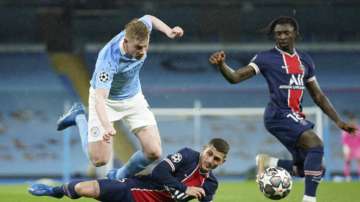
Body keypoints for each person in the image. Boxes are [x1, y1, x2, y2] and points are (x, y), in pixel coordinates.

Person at [209, 16, 356, 202]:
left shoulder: (306, 61)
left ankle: (270, 163)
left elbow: (318, 95)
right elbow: (235, 77)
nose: (282, 37)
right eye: (278, 33)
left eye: (286, 32)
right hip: (277, 114)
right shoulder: (265, 58)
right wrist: (222, 65)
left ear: (296, 34)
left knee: (316, 168)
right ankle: (309, 199)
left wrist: (338, 121)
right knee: (316, 144)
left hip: (294, 115)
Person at [56, 15, 184, 179]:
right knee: (99, 160)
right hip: (106, 102)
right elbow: (100, 99)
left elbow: (150, 18)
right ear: (125, 42)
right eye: (138, 48)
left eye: (145, 47)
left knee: (154, 151)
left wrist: (168, 31)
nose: (143, 52)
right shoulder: (108, 61)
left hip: (133, 98)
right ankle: (79, 116)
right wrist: (107, 125)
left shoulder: (139, 29)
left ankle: (118, 176)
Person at [28, 138, 229, 202]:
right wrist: (184, 189)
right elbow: (160, 172)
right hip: (132, 190)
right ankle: (54, 191)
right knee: (82, 189)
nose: (210, 160)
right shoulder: (187, 155)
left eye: (216, 159)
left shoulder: (210, 185)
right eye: (209, 154)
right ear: (205, 149)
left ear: (222, 162)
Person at [341, 114, 360, 181]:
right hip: (348, 147)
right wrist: (345, 147)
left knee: (359, 161)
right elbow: (344, 139)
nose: (353, 122)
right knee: (347, 161)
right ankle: (347, 176)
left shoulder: (358, 129)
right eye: (352, 121)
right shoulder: (346, 129)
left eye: (354, 121)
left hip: (357, 147)